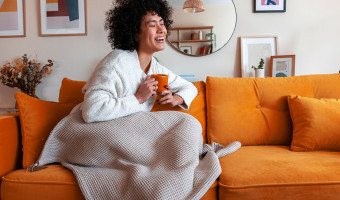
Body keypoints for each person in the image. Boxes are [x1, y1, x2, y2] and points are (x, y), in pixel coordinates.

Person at [79, 0, 198, 123]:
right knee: (187, 124)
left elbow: (189, 87)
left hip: (130, 129)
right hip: (95, 130)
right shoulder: (117, 62)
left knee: (188, 122)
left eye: (162, 24)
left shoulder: (157, 69)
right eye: (153, 25)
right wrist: (138, 98)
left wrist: (176, 99)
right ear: (135, 33)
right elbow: (91, 111)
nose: (161, 30)